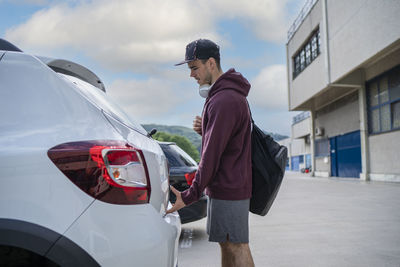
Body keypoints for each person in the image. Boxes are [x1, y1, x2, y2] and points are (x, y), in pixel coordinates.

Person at [166, 39, 254, 267]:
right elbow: (225, 142)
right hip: (226, 185)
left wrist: (189, 195)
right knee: (227, 243)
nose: (191, 75)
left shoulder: (224, 99)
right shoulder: (224, 96)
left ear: (211, 63)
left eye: (195, 67)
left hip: (229, 186)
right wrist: (207, 129)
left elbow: (210, 155)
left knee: (237, 245)